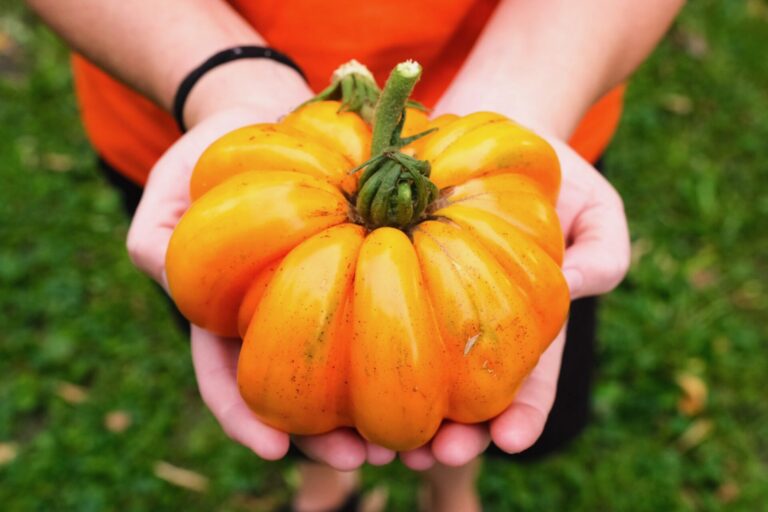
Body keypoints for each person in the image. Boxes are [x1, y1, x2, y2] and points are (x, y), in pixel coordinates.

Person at [26, 1, 685, 510]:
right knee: (294, 374)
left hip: (517, 123)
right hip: (203, 122)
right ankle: (327, 483)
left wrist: (531, 96)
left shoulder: (517, 197)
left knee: (473, 373)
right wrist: (216, 74)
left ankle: (452, 492)